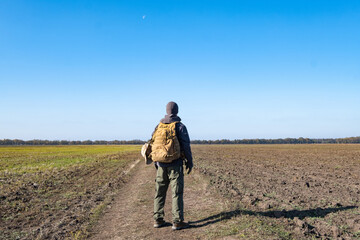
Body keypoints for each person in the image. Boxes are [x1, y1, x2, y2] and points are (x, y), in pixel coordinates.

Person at [150, 101, 193, 230]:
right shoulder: (179, 126)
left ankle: (158, 219)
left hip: (161, 164)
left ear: (167, 111)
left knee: (160, 192)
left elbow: (153, 143)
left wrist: (156, 162)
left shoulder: (159, 126)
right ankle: (177, 221)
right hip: (175, 164)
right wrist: (190, 162)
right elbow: (186, 146)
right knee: (176, 193)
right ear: (177, 111)